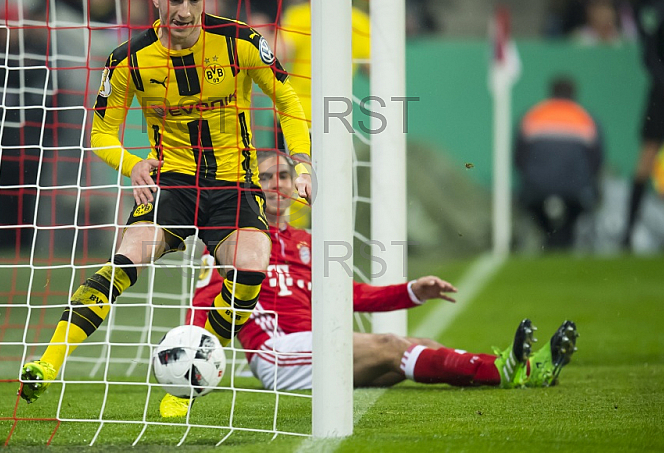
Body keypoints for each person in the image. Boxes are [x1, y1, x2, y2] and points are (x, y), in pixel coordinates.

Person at [19, 0, 313, 415]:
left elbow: (288, 100)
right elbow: (99, 134)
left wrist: (301, 162)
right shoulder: (128, 60)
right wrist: (130, 163)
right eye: (175, 0)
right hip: (171, 183)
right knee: (124, 260)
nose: (185, 11)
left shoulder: (239, 42)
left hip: (232, 182)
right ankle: (48, 362)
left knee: (253, 264)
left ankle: (194, 374)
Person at [175, 151, 578, 416]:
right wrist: (192, 362)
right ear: (249, 186)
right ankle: (505, 370)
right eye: (266, 177)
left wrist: (412, 291)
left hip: (318, 343)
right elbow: (203, 301)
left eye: (283, 175)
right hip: (277, 355)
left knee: (424, 347)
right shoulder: (237, 243)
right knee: (390, 345)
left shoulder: (307, 244)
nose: (277, 184)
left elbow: (350, 296)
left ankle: (526, 368)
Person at [622, 0, 664, 249]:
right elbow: (649, 55)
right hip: (663, 94)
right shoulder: (659, 10)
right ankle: (627, 234)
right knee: (647, 158)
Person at [514, 77, 604, 250]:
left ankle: (550, 236)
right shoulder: (586, 118)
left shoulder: (532, 116)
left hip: (536, 187)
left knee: (534, 207)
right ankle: (563, 237)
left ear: (551, 93)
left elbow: (519, 158)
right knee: (575, 210)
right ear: (573, 94)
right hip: (576, 187)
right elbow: (597, 160)